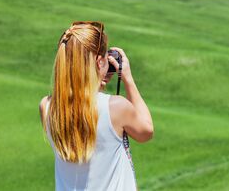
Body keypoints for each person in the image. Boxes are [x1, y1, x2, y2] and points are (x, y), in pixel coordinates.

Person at [38, 21, 154, 191]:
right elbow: (146, 131)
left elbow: (79, 110)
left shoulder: (47, 106)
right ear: (100, 63)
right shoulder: (115, 107)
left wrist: (96, 81)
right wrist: (127, 77)